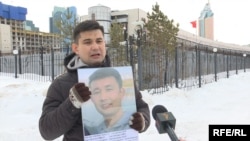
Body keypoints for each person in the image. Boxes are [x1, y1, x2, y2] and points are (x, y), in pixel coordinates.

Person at [39, 20, 150, 141]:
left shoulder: (120, 77)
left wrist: (142, 120)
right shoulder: (61, 84)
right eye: (88, 42)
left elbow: (141, 107)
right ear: (76, 48)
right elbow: (47, 131)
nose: (95, 47)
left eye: (99, 41)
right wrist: (72, 103)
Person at [84, 67, 136, 135]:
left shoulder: (134, 124)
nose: (103, 97)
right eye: (96, 92)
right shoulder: (91, 129)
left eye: (109, 89)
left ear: (121, 93)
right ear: (92, 98)